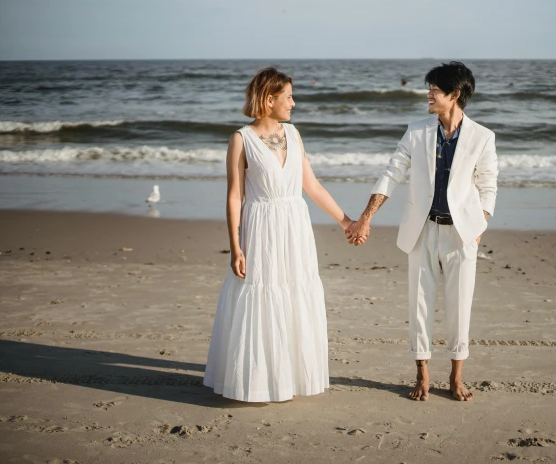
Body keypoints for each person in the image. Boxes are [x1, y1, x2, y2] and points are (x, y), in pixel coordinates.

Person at [204, 67, 359, 402]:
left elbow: (312, 186)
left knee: (293, 294)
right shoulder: (240, 139)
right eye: (288, 96)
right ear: (269, 98)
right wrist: (235, 247)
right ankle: (258, 380)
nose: (293, 102)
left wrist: (346, 221)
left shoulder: (294, 134)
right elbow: (234, 196)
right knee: (261, 295)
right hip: (261, 227)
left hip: (294, 226)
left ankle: (289, 376)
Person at [346, 61, 498, 402]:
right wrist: (366, 217)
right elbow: (391, 174)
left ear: (454, 94)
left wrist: (480, 224)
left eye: (435, 90)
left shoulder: (482, 137)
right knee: (419, 306)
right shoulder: (416, 131)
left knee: (460, 307)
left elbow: (488, 185)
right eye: (429, 88)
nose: (428, 94)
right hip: (422, 231)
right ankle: (422, 375)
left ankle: (456, 377)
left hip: (462, 234)